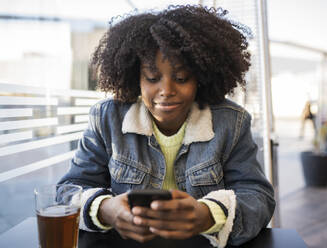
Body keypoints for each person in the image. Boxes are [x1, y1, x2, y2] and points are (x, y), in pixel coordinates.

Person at [59, 5, 275, 247]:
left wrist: (207, 215)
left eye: (181, 78)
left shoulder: (231, 122)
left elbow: (258, 197)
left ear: (201, 78)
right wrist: (104, 209)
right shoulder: (107, 118)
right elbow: (68, 190)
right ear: (136, 78)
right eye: (152, 78)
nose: (166, 91)